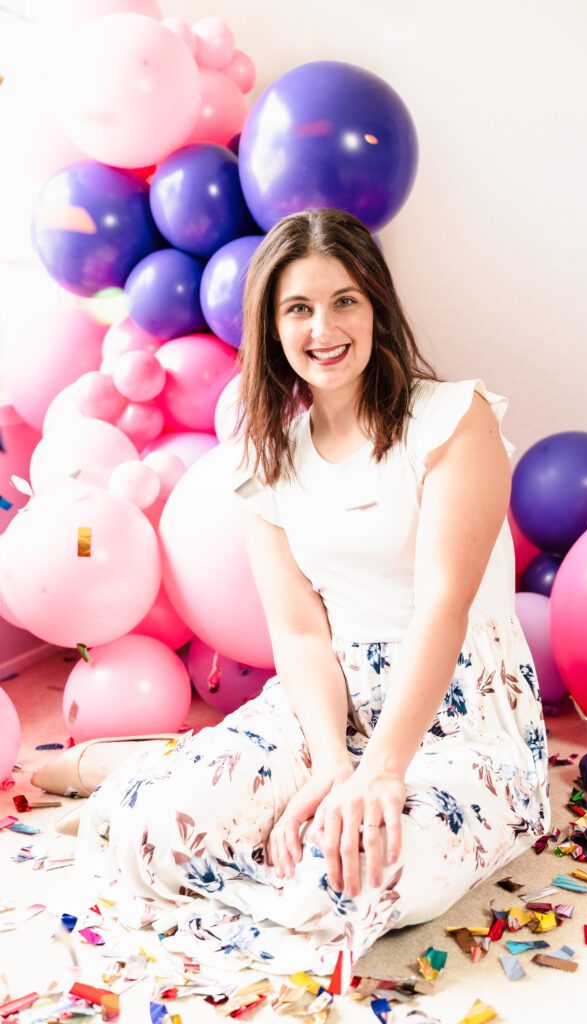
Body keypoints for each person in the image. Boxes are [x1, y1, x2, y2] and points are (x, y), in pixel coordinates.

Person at [68, 207, 550, 984]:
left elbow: (440, 608)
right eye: (298, 308)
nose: (323, 327)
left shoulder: (453, 420)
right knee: (146, 830)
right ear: (271, 325)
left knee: (352, 871)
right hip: (325, 706)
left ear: (376, 307)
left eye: (344, 301)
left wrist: (381, 770)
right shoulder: (267, 460)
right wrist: (330, 761)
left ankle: (222, 803)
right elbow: (297, 635)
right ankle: (128, 771)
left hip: (456, 717)